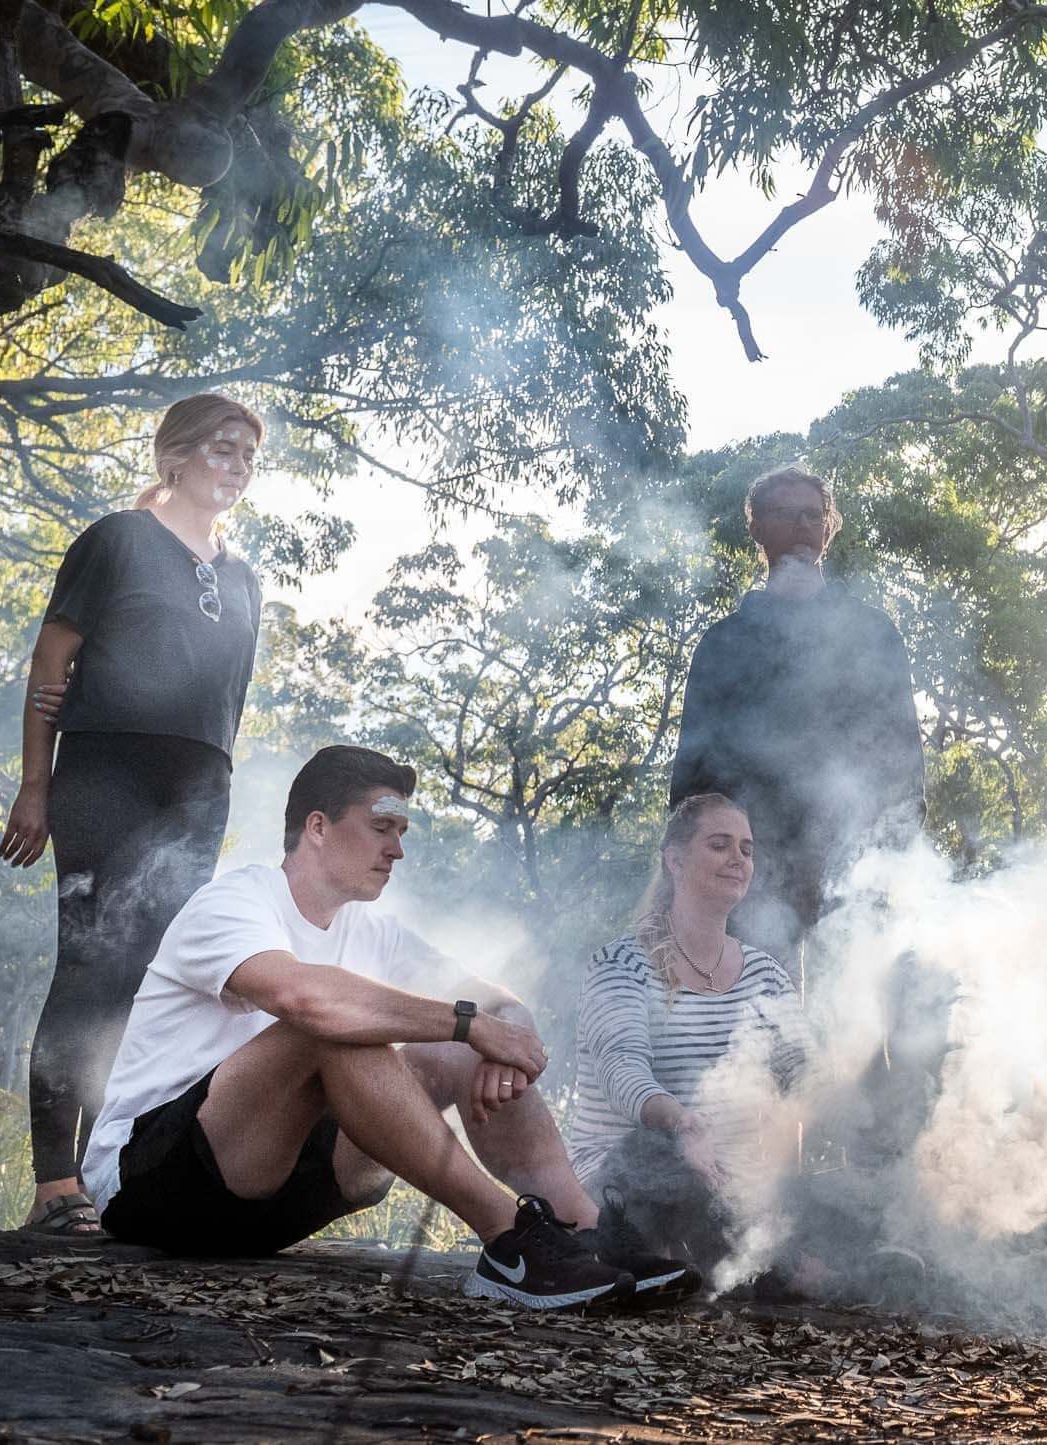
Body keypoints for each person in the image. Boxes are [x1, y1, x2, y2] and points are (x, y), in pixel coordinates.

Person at [82, 744, 690, 1307]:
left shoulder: (374, 933)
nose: (396, 849)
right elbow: (302, 997)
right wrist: (468, 1023)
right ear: (317, 827)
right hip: (156, 1183)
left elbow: (498, 1004)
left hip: (279, 1200)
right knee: (333, 1027)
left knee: (463, 1047)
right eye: (380, 828)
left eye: (400, 832)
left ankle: (581, 1233)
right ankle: (510, 1242)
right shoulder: (234, 902)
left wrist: (498, 1038)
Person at [1, 392, 268, 1237]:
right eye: (223, 449)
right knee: (90, 968)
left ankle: (113, 1176)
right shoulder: (116, 539)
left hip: (197, 791)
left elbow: (226, 704)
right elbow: (51, 663)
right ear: (176, 456)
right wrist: (34, 787)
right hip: (104, 774)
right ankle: (54, 1187)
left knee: (158, 981)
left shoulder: (244, 577)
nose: (237, 466)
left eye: (250, 456)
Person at [670, 464, 923, 950]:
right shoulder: (724, 643)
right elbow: (691, 782)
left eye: (812, 515)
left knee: (852, 1019)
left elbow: (904, 764)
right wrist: (686, 879)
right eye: (784, 514)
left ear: (829, 527)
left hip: (854, 877)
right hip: (748, 884)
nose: (801, 525)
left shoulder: (873, 633)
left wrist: (892, 865)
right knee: (759, 1022)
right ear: (756, 529)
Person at [564, 793, 811, 1280]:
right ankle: (777, 1267)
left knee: (848, 1192)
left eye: (746, 848)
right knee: (660, 1158)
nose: (738, 858)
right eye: (719, 845)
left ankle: (780, 1260)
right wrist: (682, 1125)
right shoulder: (620, 965)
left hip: (728, 1187)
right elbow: (621, 1067)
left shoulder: (765, 975)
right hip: (625, 1181)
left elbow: (806, 1075)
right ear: (674, 860)